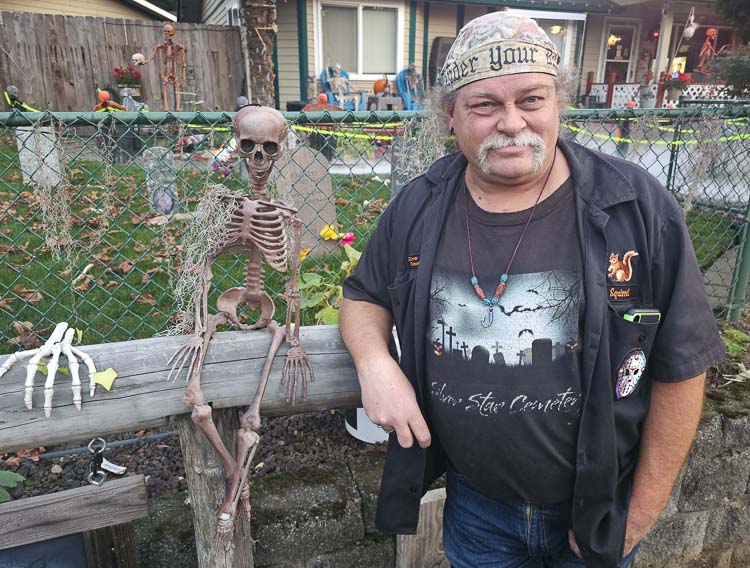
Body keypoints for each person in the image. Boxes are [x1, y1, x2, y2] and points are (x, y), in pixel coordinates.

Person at [339, 12, 724, 568]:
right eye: (485, 105)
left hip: (594, 508)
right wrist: (375, 365)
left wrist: (639, 512)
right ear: (451, 115)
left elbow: (682, 364)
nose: (512, 123)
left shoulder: (634, 207)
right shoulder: (419, 205)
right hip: (475, 507)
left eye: (531, 100)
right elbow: (363, 295)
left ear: (558, 103)